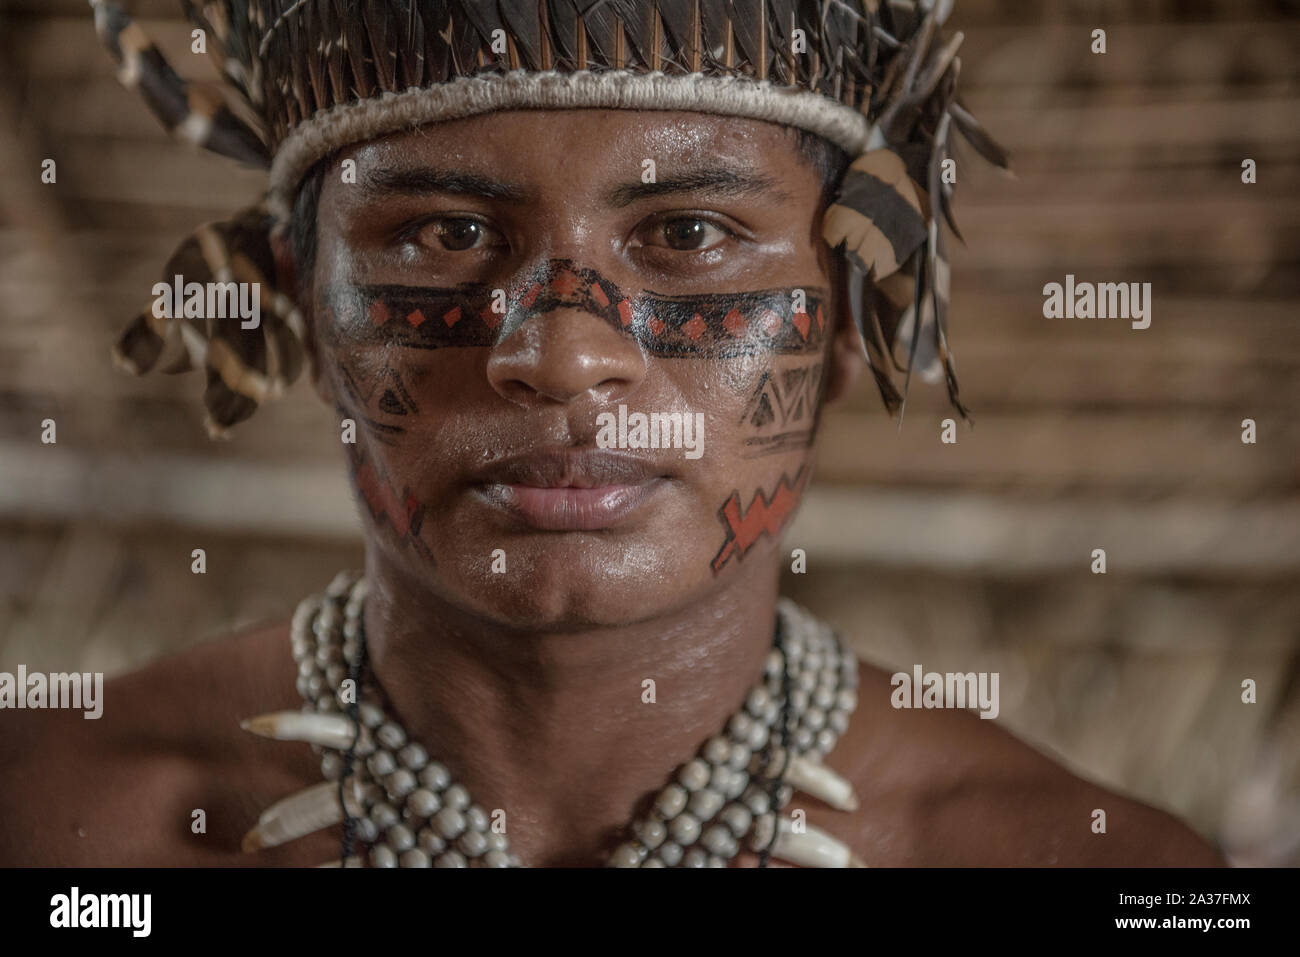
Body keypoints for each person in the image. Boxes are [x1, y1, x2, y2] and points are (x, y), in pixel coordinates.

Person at [0, 0, 1222, 867]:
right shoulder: (50, 823)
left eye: (690, 235)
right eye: (439, 234)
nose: (561, 354)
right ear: (303, 310)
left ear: (859, 316)